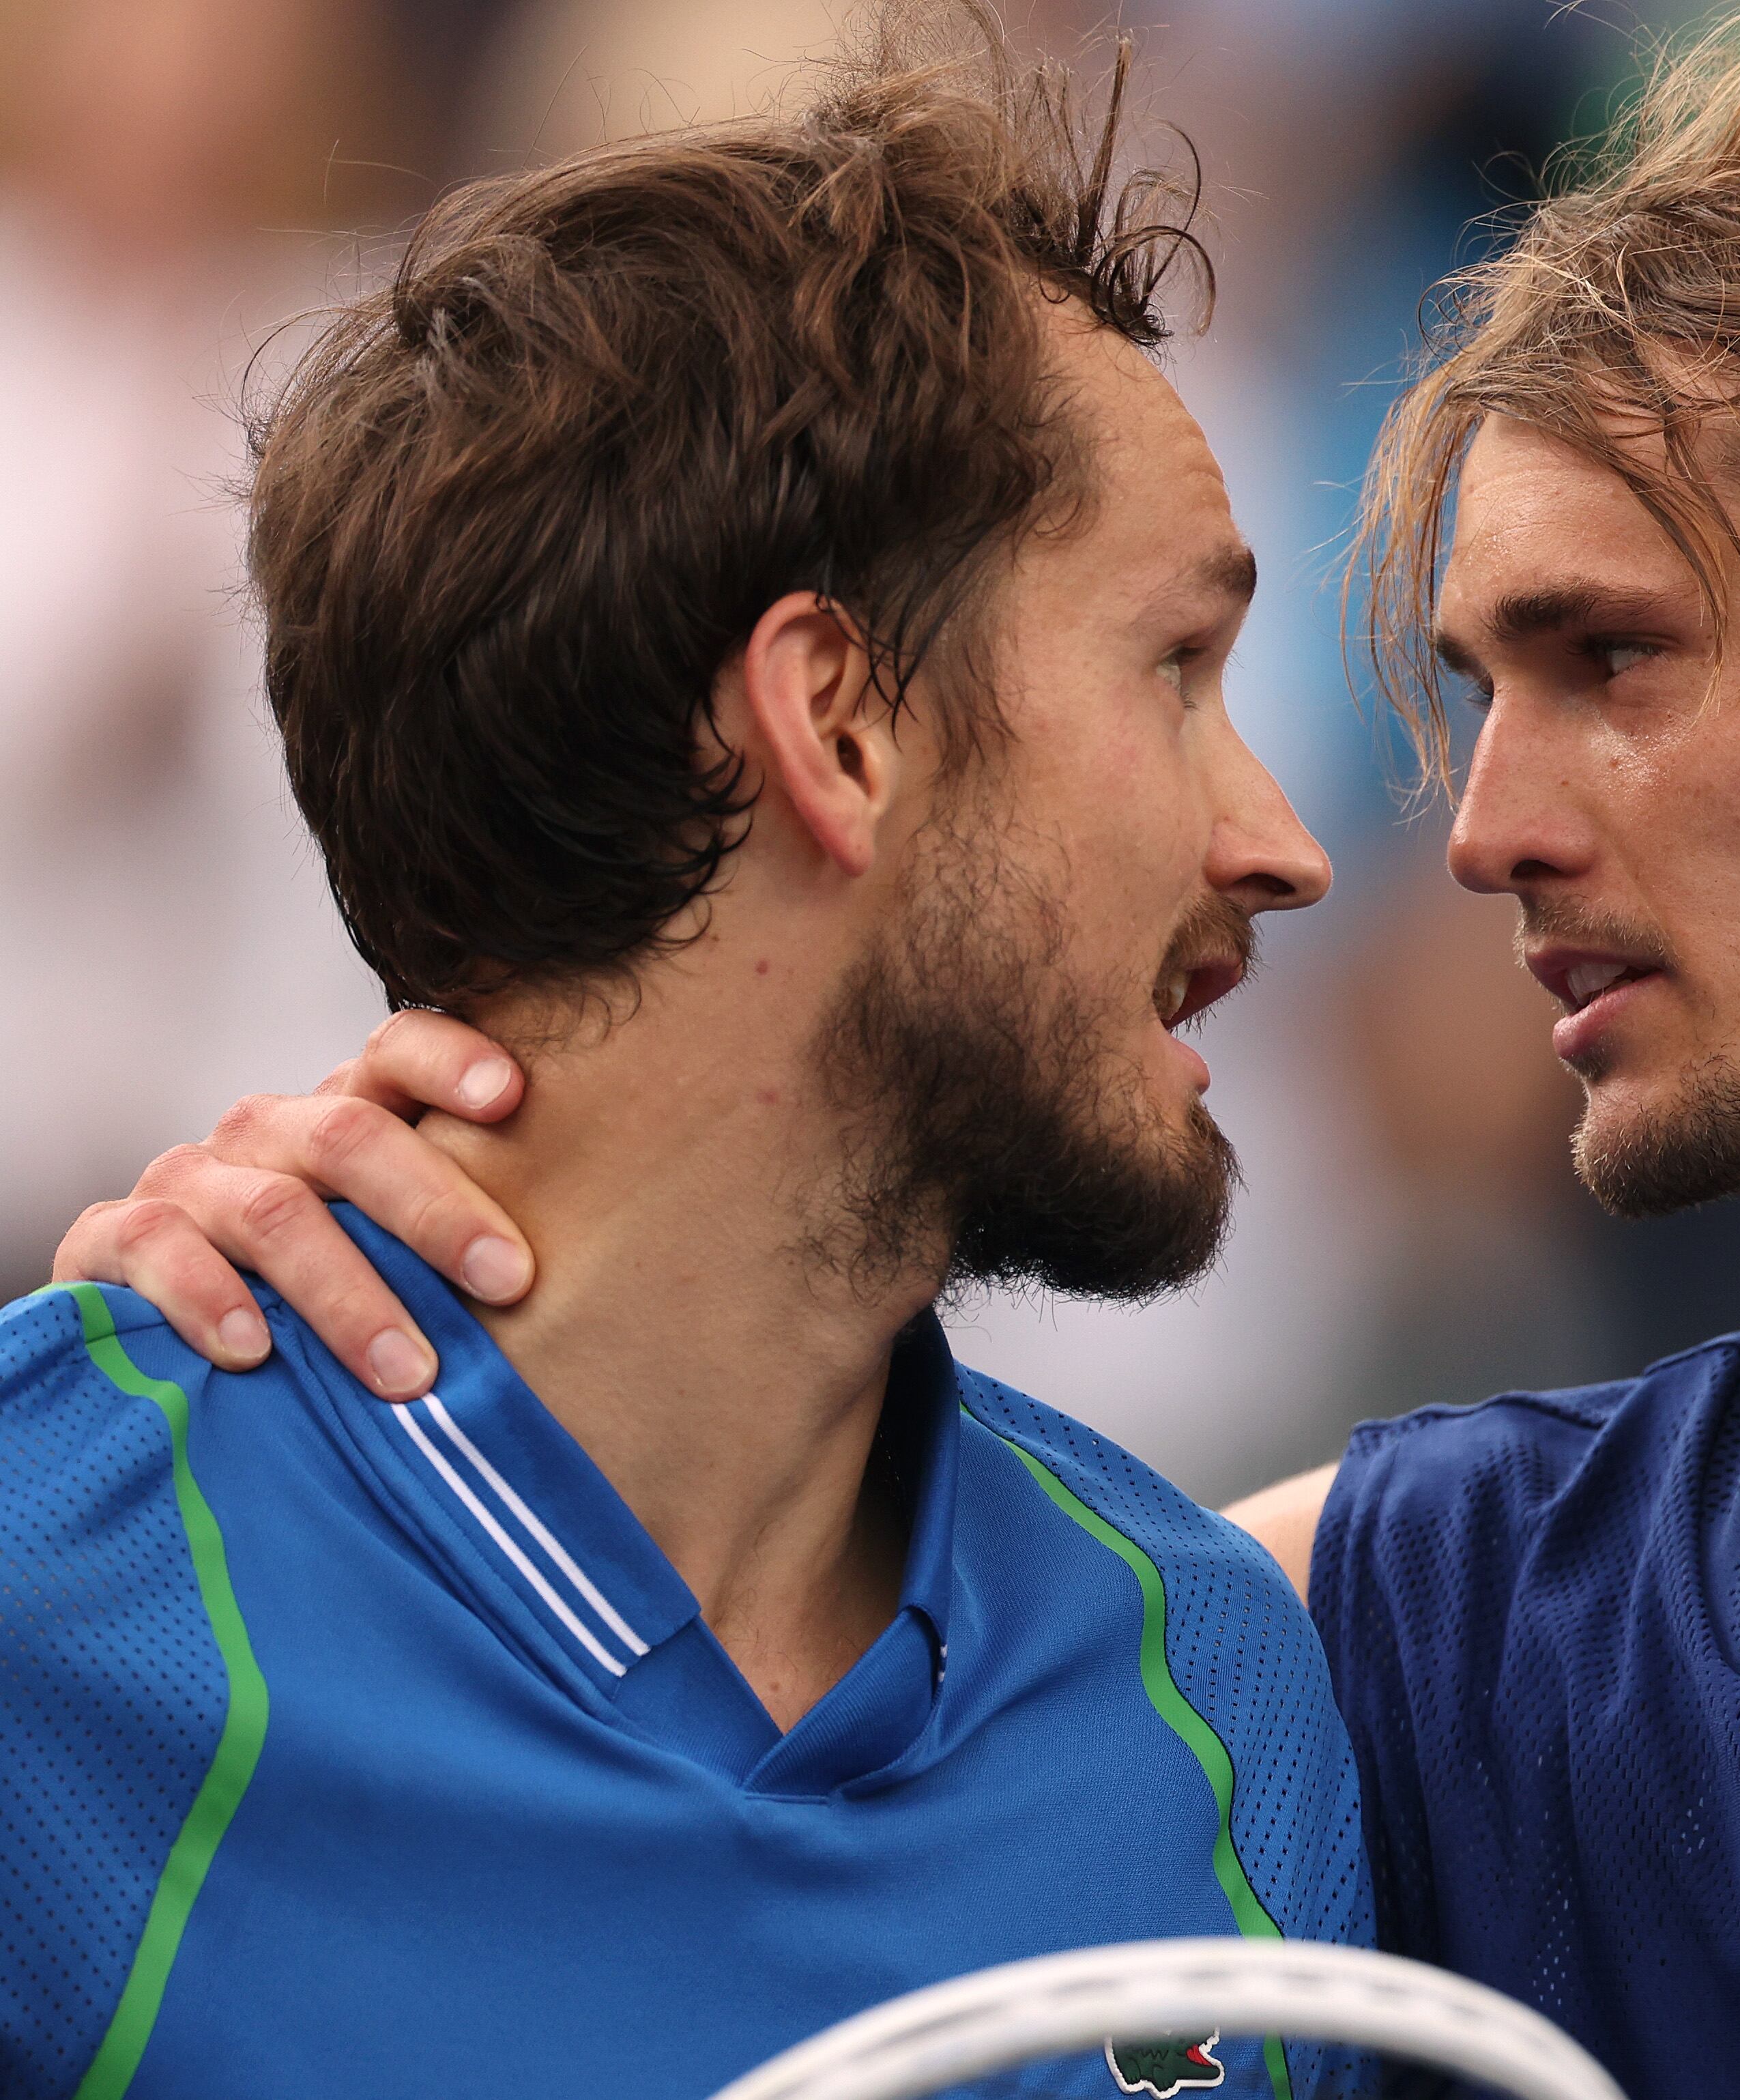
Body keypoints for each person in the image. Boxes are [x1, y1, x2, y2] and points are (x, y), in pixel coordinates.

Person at [59, 16, 1740, 2100]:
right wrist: (239, 1289)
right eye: (1463, 686)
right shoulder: (1366, 1635)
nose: (1465, 832)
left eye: (1612, 657)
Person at [3, 18, 1371, 2100]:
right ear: (837, 727)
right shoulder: (45, 1591)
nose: (1279, 841)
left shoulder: (1220, 1694)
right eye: (1173, 667)